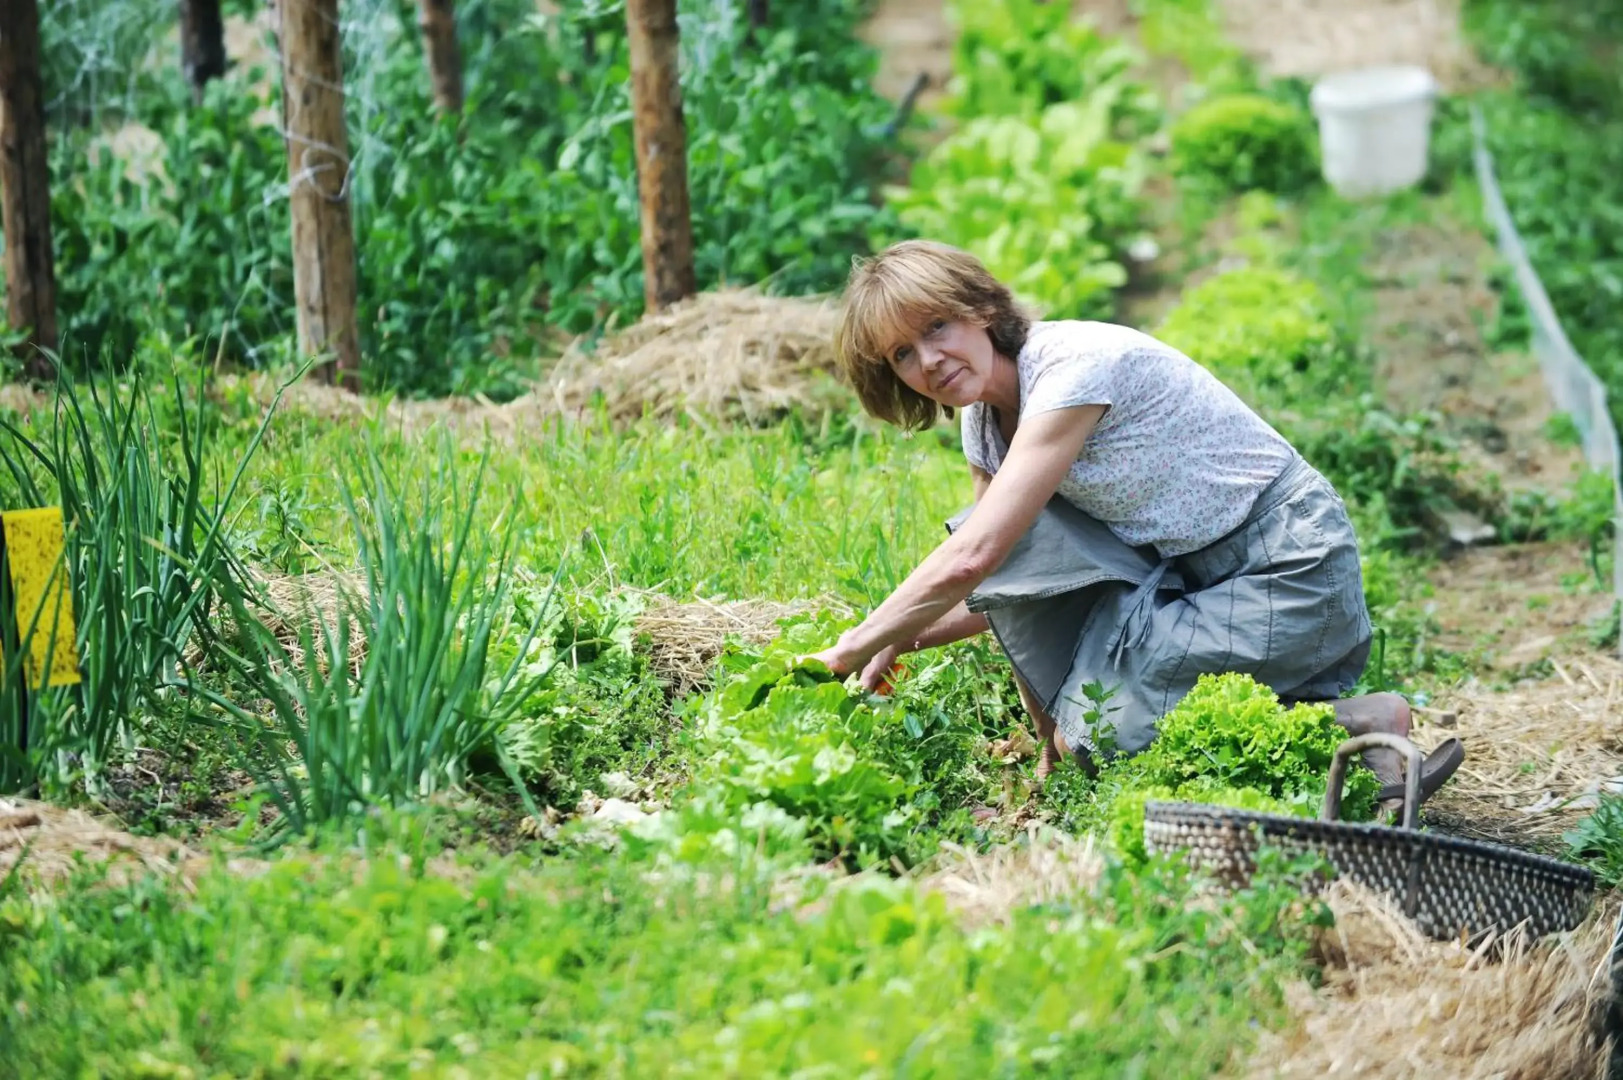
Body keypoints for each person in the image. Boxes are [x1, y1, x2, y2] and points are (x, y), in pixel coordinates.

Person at [808, 239, 1463, 807]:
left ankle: (1353, 728)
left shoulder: (1068, 370)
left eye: (937, 328)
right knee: (1082, 733)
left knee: (1094, 733)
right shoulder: (984, 426)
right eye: (901, 354)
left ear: (979, 309)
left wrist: (851, 647)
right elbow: (1003, 588)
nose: (927, 360)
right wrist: (907, 640)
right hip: (1192, 582)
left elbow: (974, 558)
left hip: (1289, 568)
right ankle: (1355, 728)